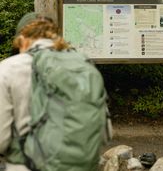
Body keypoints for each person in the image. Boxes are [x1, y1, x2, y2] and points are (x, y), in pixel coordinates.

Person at [0, 12, 101, 171]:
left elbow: (1, 139)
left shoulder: (8, 68)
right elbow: (104, 130)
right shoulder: (84, 67)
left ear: (22, 39)